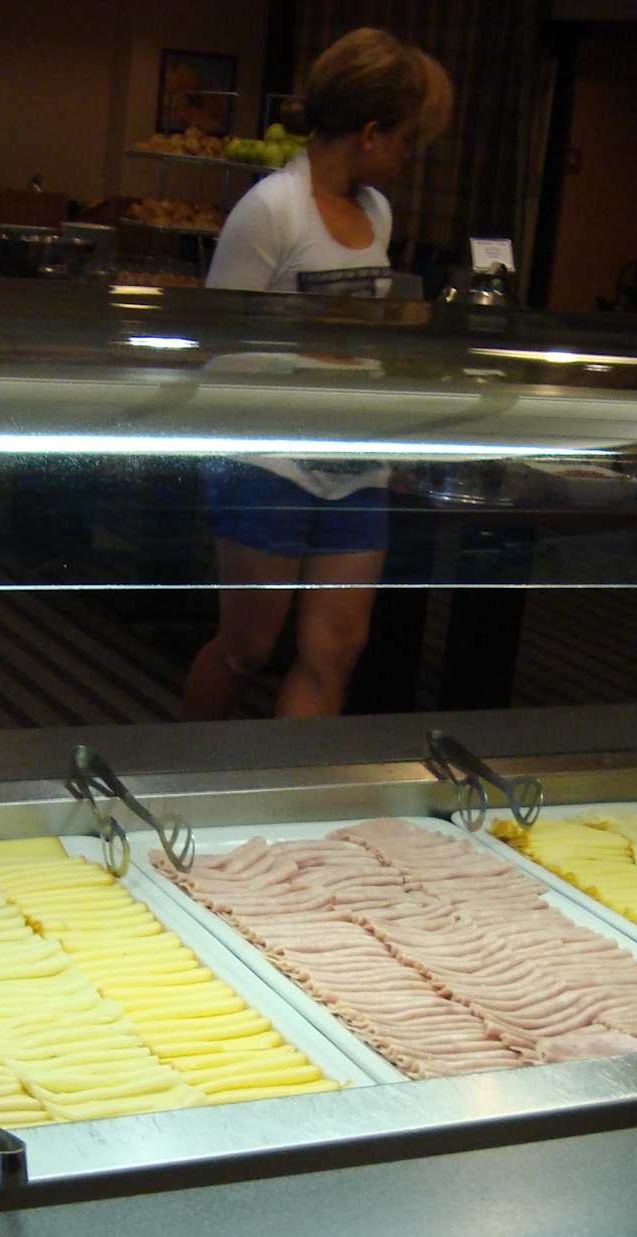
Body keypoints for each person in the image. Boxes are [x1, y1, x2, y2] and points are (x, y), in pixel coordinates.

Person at [179, 29, 453, 721]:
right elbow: (218, 340)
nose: (407, 156)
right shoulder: (272, 209)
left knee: (336, 650)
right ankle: (179, 768)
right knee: (247, 647)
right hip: (268, 457)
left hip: (353, 457)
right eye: (404, 140)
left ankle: (286, 785)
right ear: (369, 134)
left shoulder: (377, 212)